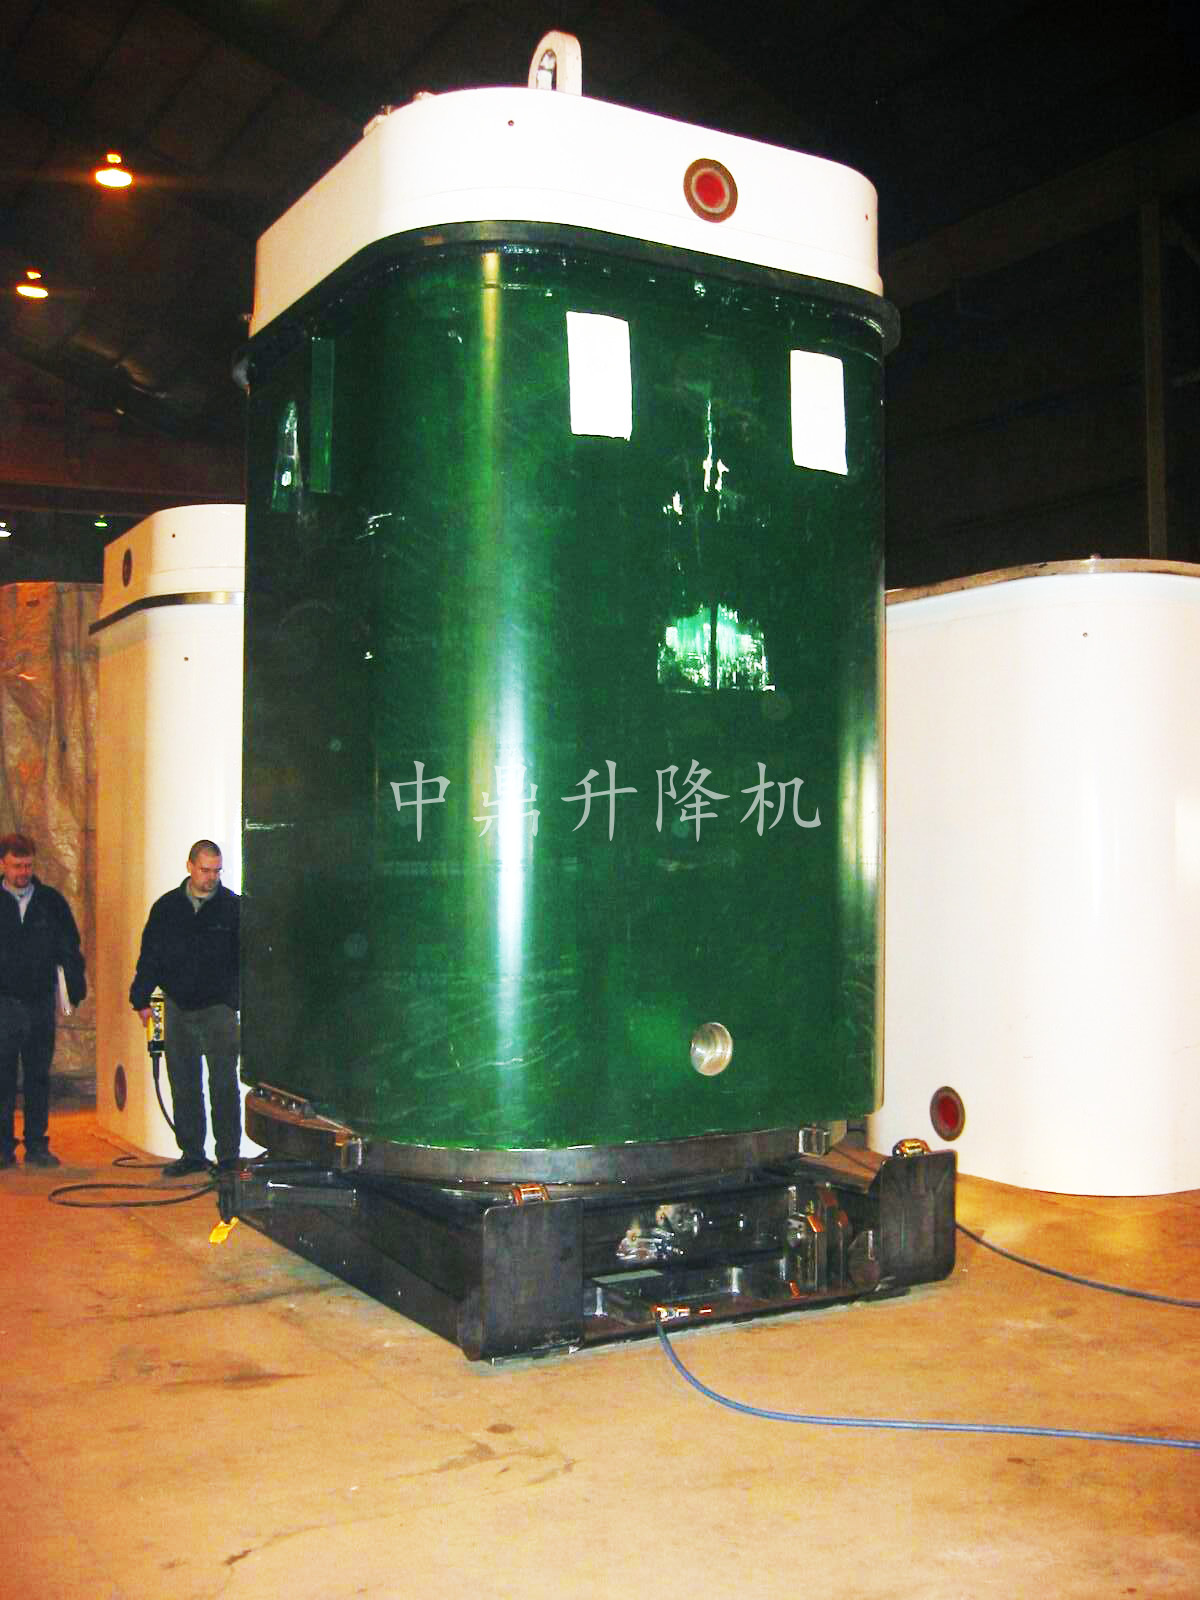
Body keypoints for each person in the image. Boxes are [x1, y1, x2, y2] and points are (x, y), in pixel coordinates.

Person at [130, 840, 241, 1177]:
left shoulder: (233, 908)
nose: (212, 877)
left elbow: (248, 960)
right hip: (176, 1007)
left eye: (217, 871)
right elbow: (150, 956)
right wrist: (141, 998)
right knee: (183, 1084)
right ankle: (192, 1153)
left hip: (218, 1010)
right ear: (190, 866)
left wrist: (236, 1000)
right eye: (205, 870)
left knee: (224, 1086)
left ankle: (228, 1158)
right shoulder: (166, 908)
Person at [0, 832, 87, 1168]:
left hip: (39, 1002)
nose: (23, 872)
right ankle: (3, 1147)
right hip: (4, 1003)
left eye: (27, 865)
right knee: (3, 1078)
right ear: (3, 865)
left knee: (38, 1076)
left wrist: (74, 987)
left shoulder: (51, 902)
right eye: (16, 866)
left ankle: (37, 1145)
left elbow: (70, 947)